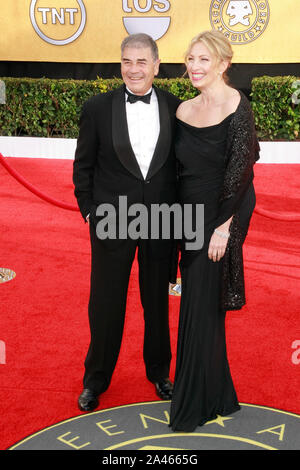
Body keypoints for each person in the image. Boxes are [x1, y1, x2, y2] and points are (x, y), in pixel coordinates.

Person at [73, 33, 181, 412]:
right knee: (105, 303)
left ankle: (160, 373)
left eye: (141, 62)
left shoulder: (174, 106)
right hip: (111, 222)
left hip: (161, 222)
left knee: (157, 303)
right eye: (126, 61)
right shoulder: (97, 108)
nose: (133, 69)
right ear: (120, 64)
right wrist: (90, 211)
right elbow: (82, 166)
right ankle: (95, 379)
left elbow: (180, 169)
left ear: (155, 64)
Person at [169, 30, 260, 432]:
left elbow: (241, 173)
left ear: (223, 64)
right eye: (191, 58)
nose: (195, 66)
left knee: (200, 305)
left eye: (204, 59)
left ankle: (192, 404)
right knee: (199, 304)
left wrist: (224, 228)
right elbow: (174, 172)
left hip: (221, 215)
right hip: (187, 218)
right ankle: (219, 394)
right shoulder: (183, 110)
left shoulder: (238, 105)